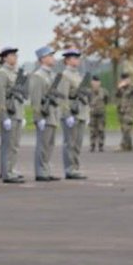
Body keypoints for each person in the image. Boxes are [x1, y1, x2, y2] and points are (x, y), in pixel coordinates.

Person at [0, 45, 25, 183]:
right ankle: (7, 172)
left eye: (15, 56)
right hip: (8, 114)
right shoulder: (2, 73)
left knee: (15, 144)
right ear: (5, 58)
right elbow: (0, 97)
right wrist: (3, 116)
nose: (15, 58)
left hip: (16, 113)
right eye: (12, 55)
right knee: (8, 144)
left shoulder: (15, 73)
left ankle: (10, 168)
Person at [29, 45, 62, 180]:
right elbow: (36, 98)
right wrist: (38, 117)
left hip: (52, 115)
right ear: (43, 59)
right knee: (43, 145)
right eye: (50, 56)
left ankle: (46, 170)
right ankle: (40, 172)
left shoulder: (51, 75)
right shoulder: (38, 76)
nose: (53, 59)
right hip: (44, 115)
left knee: (49, 145)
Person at [57, 49, 87, 179]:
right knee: (70, 143)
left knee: (78, 143)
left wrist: (87, 114)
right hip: (71, 113)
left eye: (77, 58)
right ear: (67, 60)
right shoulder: (65, 75)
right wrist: (66, 114)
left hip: (80, 113)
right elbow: (62, 97)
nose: (77, 60)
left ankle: (75, 167)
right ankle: (70, 169)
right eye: (74, 58)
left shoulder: (78, 75)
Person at [88, 76, 110, 152]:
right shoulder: (89, 92)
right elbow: (87, 101)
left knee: (101, 129)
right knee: (92, 130)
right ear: (92, 83)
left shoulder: (104, 91)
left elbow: (107, 100)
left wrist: (102, 107)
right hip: (92, 113)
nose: (96, 84)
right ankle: (92, 145)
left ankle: (101, 145)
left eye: (97, 82)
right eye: (94, 82)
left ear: (100, 83)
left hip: (101, 113)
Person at [117, 73, 133, 151]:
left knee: (126, 128)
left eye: (127, 79)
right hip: (121, 111)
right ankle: (129, 146)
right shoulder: (121, 88)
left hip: (129, 111)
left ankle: (123, 145)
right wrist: (119, 88)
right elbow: (117, 96)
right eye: (124, 79)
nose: (125, 81)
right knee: (123, 129)